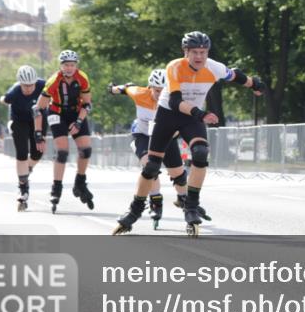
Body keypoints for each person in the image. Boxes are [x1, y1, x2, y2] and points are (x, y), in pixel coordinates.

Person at [113, 31, 265, 237]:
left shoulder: (214, 67)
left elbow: (235, 76)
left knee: (201, 153)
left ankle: (191, 207)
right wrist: (201, 114)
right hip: (168, 114)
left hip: (192, 117)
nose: (199, 57)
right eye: (194, 52)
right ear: (186, 52)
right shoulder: (174, 67)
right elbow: (175, 102)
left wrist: (255, 84)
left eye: (203, 52)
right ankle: (134, 211)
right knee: (151, 166)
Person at [109, 68, 201, 232]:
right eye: (157, 90)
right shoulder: (139, 93)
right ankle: (155, 200)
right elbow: (125, 88)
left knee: (179, 177)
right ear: (150, 87)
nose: (160, 94)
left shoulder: (174, 100)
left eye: (164, 90)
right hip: (143, 134)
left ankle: (184, 200)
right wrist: (113, 89)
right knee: (150, 167)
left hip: (167, 136)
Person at [34, 50, 95, 213]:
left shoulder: (82, 78)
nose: (69, 68)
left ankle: (80, 181)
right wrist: (38, 134)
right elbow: (38, 109)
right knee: (62, 152)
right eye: (66, 65)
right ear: (61, 66)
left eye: (72, 65)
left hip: (76, 113)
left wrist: (79, 121)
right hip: (57, 113)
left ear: (76, 66)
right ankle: (56, 187)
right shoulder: (53, 81)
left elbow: (87, 104)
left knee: (86, 150)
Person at [1, 65, 46, 211]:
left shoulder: (43, 85)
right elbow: (4, 99)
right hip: (19, 121)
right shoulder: (14, 92)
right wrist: (4, 100)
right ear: (20, 83)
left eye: (31, 85)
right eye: (25, 86)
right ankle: (23, 188)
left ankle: (28, 168)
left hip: (38, 120)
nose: (28, 88)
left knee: (37, 153)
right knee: (21, 153)